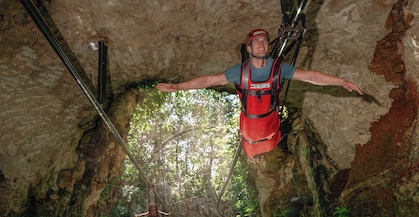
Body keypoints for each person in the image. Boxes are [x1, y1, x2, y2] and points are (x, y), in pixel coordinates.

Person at [156, 28, 363, 162]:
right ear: (249, 48)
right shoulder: (240, 71)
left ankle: (260, 156)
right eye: (256, 41)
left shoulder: (279, 68)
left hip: (271, 127)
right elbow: (209, 81)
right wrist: (178, 87)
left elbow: (310, 76)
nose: (262, 43)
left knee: (269, 145)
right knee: (253, 149)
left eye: (264, 40)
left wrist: (340, 81)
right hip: (250, 128)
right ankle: (255, 157)